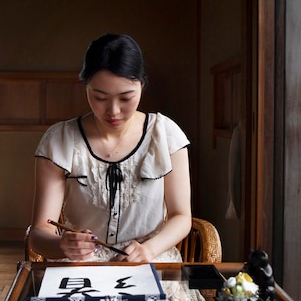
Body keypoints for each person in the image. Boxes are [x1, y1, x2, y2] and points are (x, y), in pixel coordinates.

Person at [30, 33, 192, 263]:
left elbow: (182, 216)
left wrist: (149, 250)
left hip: (150, 259)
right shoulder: (59, 141)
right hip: (81, 265)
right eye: (100, 97)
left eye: (125, 98)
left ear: (142, 86)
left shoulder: (165, 135)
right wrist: (63, 245)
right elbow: (39, 232)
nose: (113, 111)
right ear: (86, 87)